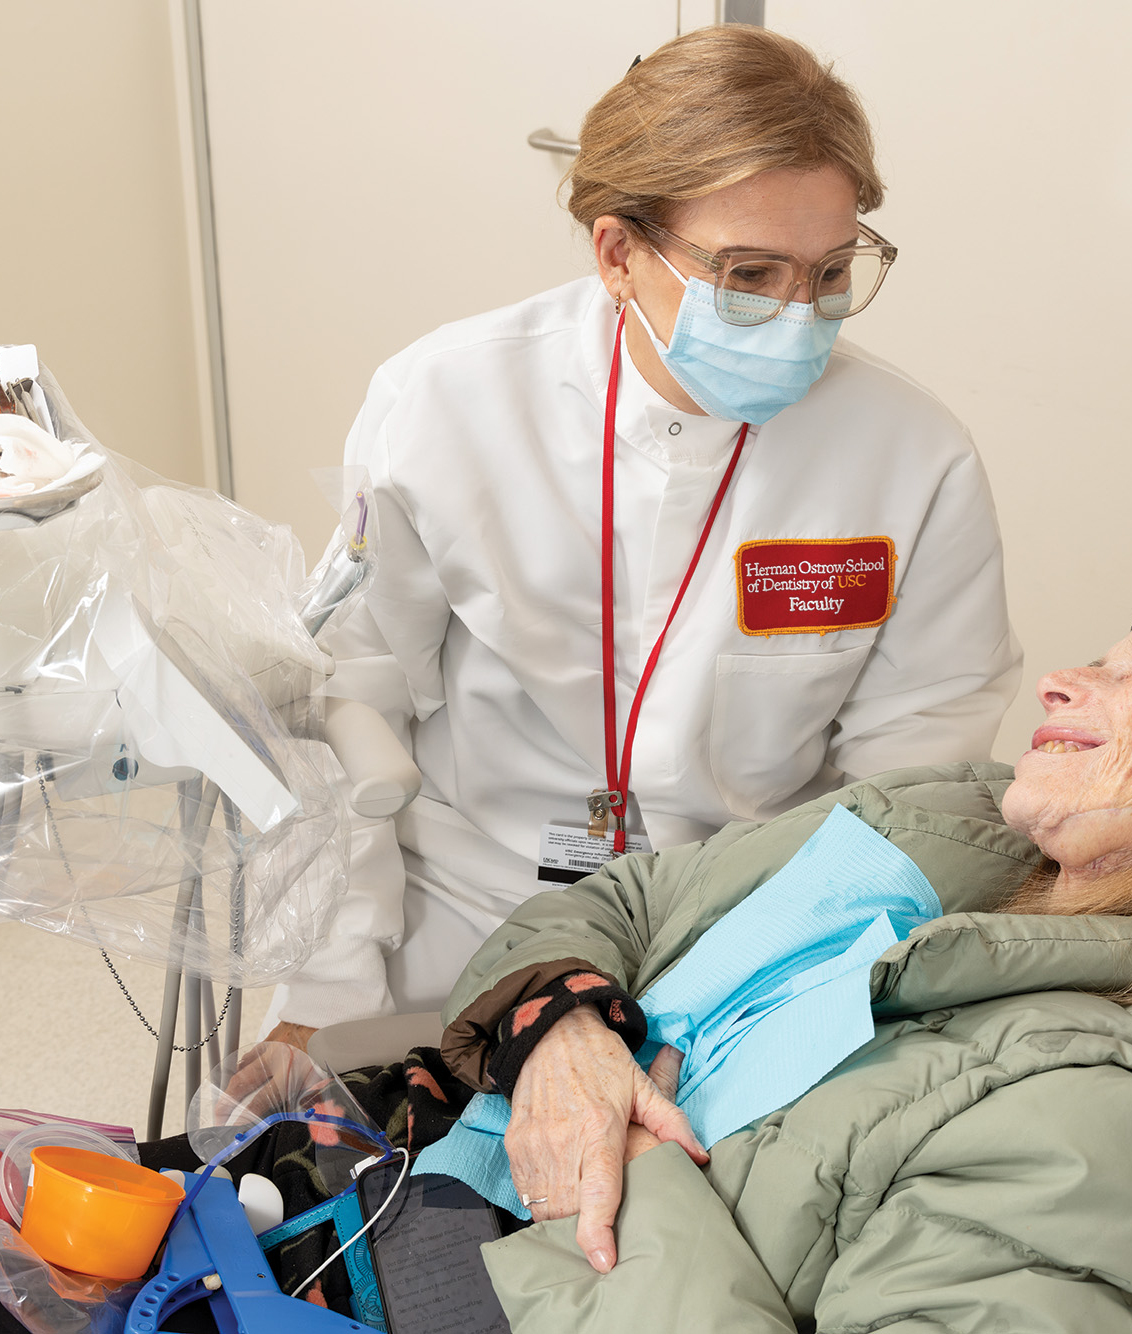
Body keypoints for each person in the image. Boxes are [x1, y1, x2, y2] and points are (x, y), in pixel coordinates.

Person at [435, 582, 1132, 1332]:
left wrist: (631, 1162)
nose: (1060, 681)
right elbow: (630, 896)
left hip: (509, 1283)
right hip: (429, 1160)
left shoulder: (1126, 1095)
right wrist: (558, 1025)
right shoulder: (947, 812)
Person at [265, 25, 1022, 1045]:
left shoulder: (911, 456)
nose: (798, 316)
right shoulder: (447, 400)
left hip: (739, 926)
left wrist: (773, 981)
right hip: (464, 903)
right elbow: (354, 693)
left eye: (830, 272)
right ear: (618, 252)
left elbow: (904, 787)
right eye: (748, 275)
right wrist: (321, 1000)